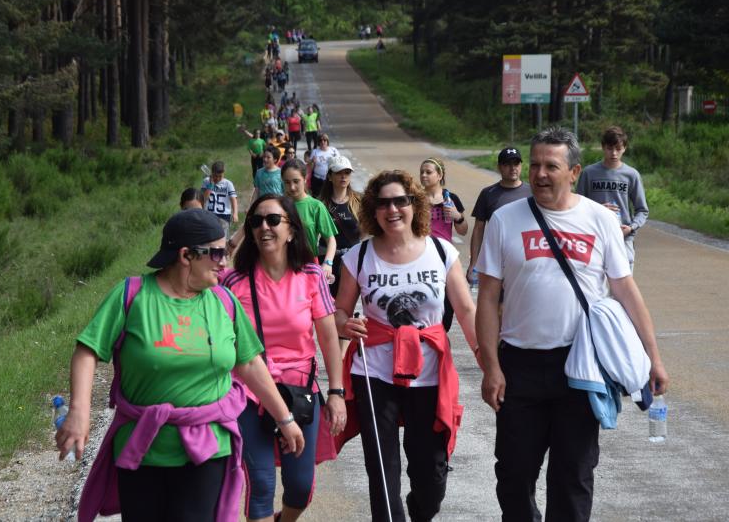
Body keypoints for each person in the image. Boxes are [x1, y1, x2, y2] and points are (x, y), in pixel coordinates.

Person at [59, 209, 305, 522]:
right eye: (216, 253)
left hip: (208, 447)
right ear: (186, 255)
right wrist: (79, 412)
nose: (224, 262)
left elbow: (250, 364)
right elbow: (87, 351)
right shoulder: (133, 295)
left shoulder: (223, 302)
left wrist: (284, 418)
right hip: (142, 448)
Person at [475, 127, 670, 522]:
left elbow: (626, 290)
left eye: (551, 166)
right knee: (513, 475)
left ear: (574, 171)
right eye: (534, 165)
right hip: (520, 367)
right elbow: (489, 297)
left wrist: (654, 358)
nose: (540, 174)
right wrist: (491, 367)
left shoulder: (599, 218)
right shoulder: (504, 219)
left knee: (573, 476)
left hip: (580, 368)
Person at [334, 170, 479, 522]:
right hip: (374, 371)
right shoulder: (359, 255)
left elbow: (466, 310)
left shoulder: (441, 252)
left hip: (429, 373)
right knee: (382, 470)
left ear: (415, 205)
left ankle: (419, 509)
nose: (393, 209)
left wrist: (489, 362)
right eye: (383, 203)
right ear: (373, 210)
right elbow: (337, 312)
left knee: (431, 473)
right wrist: (344, 322)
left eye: (401, 200)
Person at [221, 195, 346, 522]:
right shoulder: (234, 282)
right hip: (248, 394)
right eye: (257, 221)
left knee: (300, 487)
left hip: (299, 392)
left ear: (291, 230)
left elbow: (329, 336)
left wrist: (336, 393)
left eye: (273, 220)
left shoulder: (310, 275)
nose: (264, 227)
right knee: (260, 483)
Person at [576, 126, 649, 270]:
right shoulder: (588, 173)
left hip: (623, 239)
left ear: (624, 148)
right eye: (610, 148)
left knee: (623, 286)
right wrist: (598, 210)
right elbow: (576, 205)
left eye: (618, 148)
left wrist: (631, 228)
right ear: (603, 147)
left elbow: (642, 210)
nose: (614, 153)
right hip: (594, 237)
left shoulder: (631, 175)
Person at [467, 147, 531, 284]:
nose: (512, 168)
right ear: (499, 167)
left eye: (516, 163)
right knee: (497, 303)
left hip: (527, 259)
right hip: (497, 260)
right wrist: (474, 262)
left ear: (521, 166)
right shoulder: (488, 193)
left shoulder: (532, 193)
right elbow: (479, 229)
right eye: (507, 164)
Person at [281, 159, 338, 282]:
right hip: (281, 267)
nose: (292, 187)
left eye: (296, 181)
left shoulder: (316, 206)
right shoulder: (278, 206)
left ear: (305, 179)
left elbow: (331, 240)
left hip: (308, 267)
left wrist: (328, 263)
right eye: (287, 182)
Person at [318, 155, 361, 298]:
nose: (343, 177)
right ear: (330, 176)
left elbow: (368, 231)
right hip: (327, 261)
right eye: (339, 173)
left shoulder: (359, 201)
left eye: (347, 173)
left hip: (352, 261)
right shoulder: (320, 204)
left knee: (348, 304)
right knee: (329, 303)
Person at [418, 157, 468, 242]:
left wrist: (458, 216)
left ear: (440, 175)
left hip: (444, 250)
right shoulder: (416, 199)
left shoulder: (451, 198)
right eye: (421, 172)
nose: (423, 175)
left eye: (428, 172)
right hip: (421, 250)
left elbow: (463, 231)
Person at [201, 161, 238, 238]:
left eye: (220, 176)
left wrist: (235, 213)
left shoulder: (228, 184)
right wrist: (210, 185)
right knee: (209, 237)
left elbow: (233, 199)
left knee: (222, 238)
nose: (217, 178)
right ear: (212, 173)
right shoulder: (206, 182)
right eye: (215, 176)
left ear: (224, 173)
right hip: (209, 214)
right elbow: (204, 198)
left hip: (224, 215)